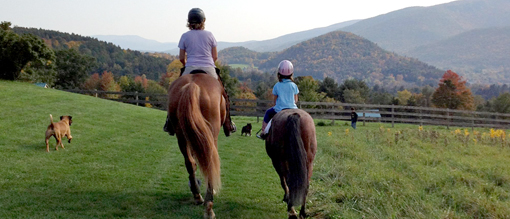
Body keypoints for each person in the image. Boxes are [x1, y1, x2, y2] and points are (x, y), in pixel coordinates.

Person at [164, 8, 235, 136]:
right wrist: (209, 64)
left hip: (190, 68)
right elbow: (215, 57)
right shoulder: (209, 35)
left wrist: (187, 65)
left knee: (174, 90)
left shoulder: (184, 36)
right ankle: (228, 124)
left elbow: (181, 58)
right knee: (223, 93)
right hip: (209, 68)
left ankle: (169, 121)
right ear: (203, 21)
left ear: (189, 22)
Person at [257, 60, 299, 139]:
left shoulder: (277, 85)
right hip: (293, 109)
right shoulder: (294, 85)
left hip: (280, 109)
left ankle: (264, 132)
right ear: (291, 73)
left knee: (268, 112)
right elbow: (295, 100)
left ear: (279, 74)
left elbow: (275, 101)